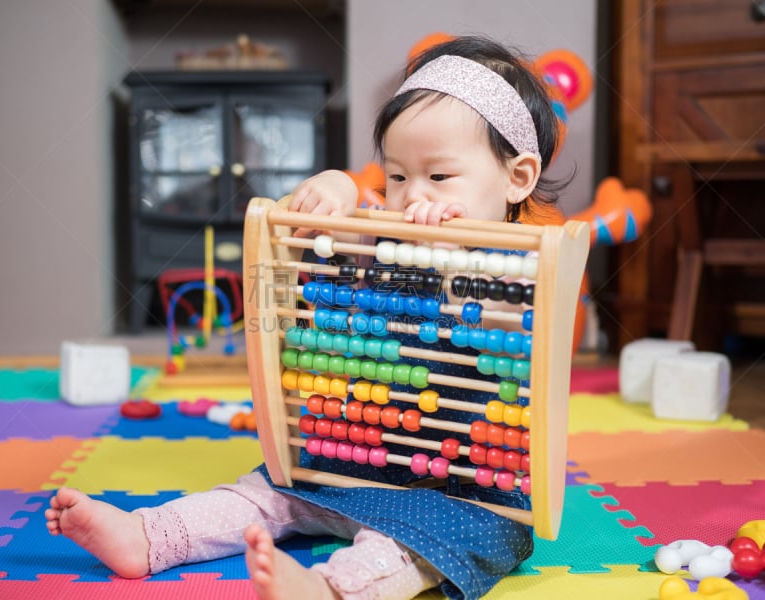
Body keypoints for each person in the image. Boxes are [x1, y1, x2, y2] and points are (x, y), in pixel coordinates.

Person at [45, 35, 566, 600]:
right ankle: (150, 535)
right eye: (396, 176)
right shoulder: (385, 239)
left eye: (439, 178)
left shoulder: (522, 267)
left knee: (427, 543)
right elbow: (317, 266)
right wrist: (333, 194)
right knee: (262, 493)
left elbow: (514, 329)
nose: (412, 198)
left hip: (462, 488)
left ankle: (330, 588)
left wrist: (452, 258)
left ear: (518, 178)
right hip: (352, 462)